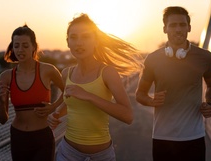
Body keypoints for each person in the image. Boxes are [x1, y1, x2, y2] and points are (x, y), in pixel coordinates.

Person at [47, 13, 142, 161]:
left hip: (101, 155)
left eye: (85, 37)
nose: (79, 43)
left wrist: (89, 96)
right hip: (68, 153)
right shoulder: (66, 73)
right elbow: (72, 101)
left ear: (95, 41)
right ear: (68, 42)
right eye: (74, 37)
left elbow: (127, 116)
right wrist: (57, 114)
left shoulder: (107, 73)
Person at [135, 6, 211, 161]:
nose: (178, 29)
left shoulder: (205, 57)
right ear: (165, 29)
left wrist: (210, 104)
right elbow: (140, 94)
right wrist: (151, 100)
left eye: (182, 24)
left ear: (189, 27)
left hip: (195, 137)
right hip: (162, 137)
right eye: (173, 25)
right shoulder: (153, 59)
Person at [0, 25, 64, 161]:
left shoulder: (48, 70)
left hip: (42, 138)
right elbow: (2, 120)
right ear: (13, 47)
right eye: (16, 46)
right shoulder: (6, 76)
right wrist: (2, 102)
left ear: (34, 46)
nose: (20, 50)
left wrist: (53, 106)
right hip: (18, 137)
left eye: (25, 46)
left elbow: (68, 90)